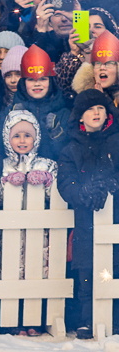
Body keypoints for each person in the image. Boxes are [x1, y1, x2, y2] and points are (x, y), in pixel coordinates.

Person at [57, 89, 119, 336]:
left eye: (100, 108)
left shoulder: (116, 141)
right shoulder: (70, 149)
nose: (96, 113)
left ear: (108, 114)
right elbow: (65, 182)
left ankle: (113, 318)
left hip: (115, 219)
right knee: (87, 271)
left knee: (114, 267)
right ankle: (86, 318)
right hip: (85, 221)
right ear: (80, 117)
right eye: (90, 109)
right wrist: (81, 191)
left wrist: (112, 183)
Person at [0, 106, 56, 189]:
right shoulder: (3, 165)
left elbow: (56, 196)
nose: (22, 141)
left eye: (27, 136)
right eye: (16, 136)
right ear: (7, 140)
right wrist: (5, 182)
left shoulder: (47, 165)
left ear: (36, 138)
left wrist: (47, 179)